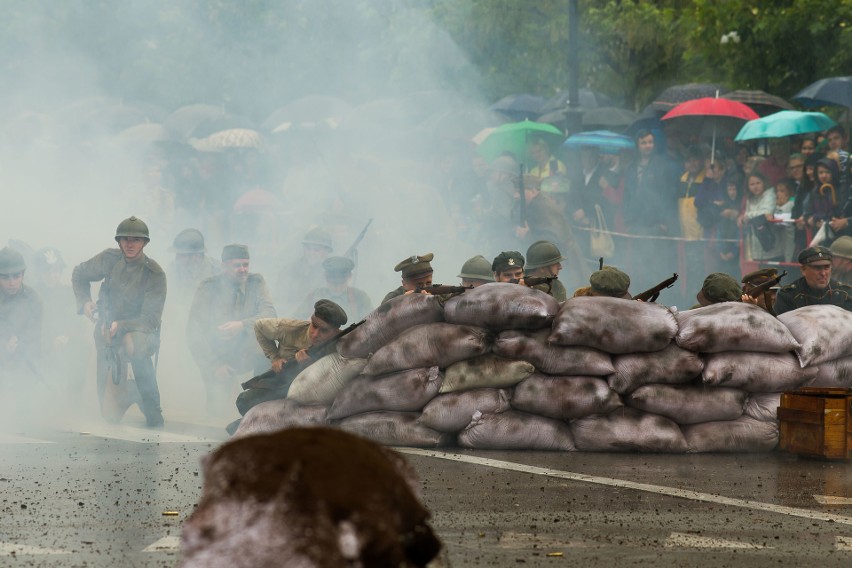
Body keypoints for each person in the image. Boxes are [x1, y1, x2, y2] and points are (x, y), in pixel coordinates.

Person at [71, 217, 167, 427]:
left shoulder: (155, 274)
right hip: (108, 332)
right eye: (125, 239)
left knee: (134, 343)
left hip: (141, 333)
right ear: (119, 241)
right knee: (109, 415)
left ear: (144, 243)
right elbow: (79, 273)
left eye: (136, 240)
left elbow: (150, 319)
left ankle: (150, 403)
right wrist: (85, 301)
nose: (130, 244)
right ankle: (127, 392)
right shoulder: (109, 259)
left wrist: (122, 326)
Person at [187, 244, 276, 415]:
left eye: (245, 264)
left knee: (266, 348)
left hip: (246, 350)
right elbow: (194, 332)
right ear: (224, 266)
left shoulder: (256, 282)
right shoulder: (208, 287)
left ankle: (259, 403)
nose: (242, 270)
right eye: (237, 265)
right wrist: (214, 366)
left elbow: (270, 314)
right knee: (218, 411)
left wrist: (242, 325)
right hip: (217, 353)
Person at [236, 299, 348, 416]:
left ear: (336, 332)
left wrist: (310, 366)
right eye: (314, 326)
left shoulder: (343, 344)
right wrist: (275, 358)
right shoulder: (290, 328)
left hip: (313, 394)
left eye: (324, 331)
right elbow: (259, 326)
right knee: (245, 401)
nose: (315, 334)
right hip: (282, 382)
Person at [0, 246, 43, 384]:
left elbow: (36, 333)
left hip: (24, 363)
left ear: (23, 275)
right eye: (5, 277)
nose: (11, 282)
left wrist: (19, 342)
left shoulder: (33, 299)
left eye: (16, 276)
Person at [774, 246, 852, 315]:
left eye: (826, 267)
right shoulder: (788, 296)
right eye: (817, 268)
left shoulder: (846, 294)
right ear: (803, 270)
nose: (823, 273)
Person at [274, 227, 333, 313]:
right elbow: (279, 300)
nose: (311, 253)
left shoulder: (333, 274)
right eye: (308, 248)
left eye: (316, 250)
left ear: (327, 251)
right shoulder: (289, 271)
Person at [297, 256, 373, 322]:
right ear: (325, 276)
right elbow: (295, 321)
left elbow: (371, 324)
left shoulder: (360, 298)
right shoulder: (314, 296)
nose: (338, 287)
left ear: (349, 276)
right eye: (333, 282)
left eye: (341, 282)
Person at [738, 172, 783, 262]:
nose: (755, 186)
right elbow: (747, 218)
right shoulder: (750, 199)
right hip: (756, 245)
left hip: (772, 242)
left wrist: (747, 215)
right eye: (752, 184)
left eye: (758, 183)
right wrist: (745, 218)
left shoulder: (770, 194)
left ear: (764, 182)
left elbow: (766, 213)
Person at [166, 228, 220, 302]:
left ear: (196, 256)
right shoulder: (173, 268)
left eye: (181, 255)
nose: (177, 259)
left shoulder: (215, 271)